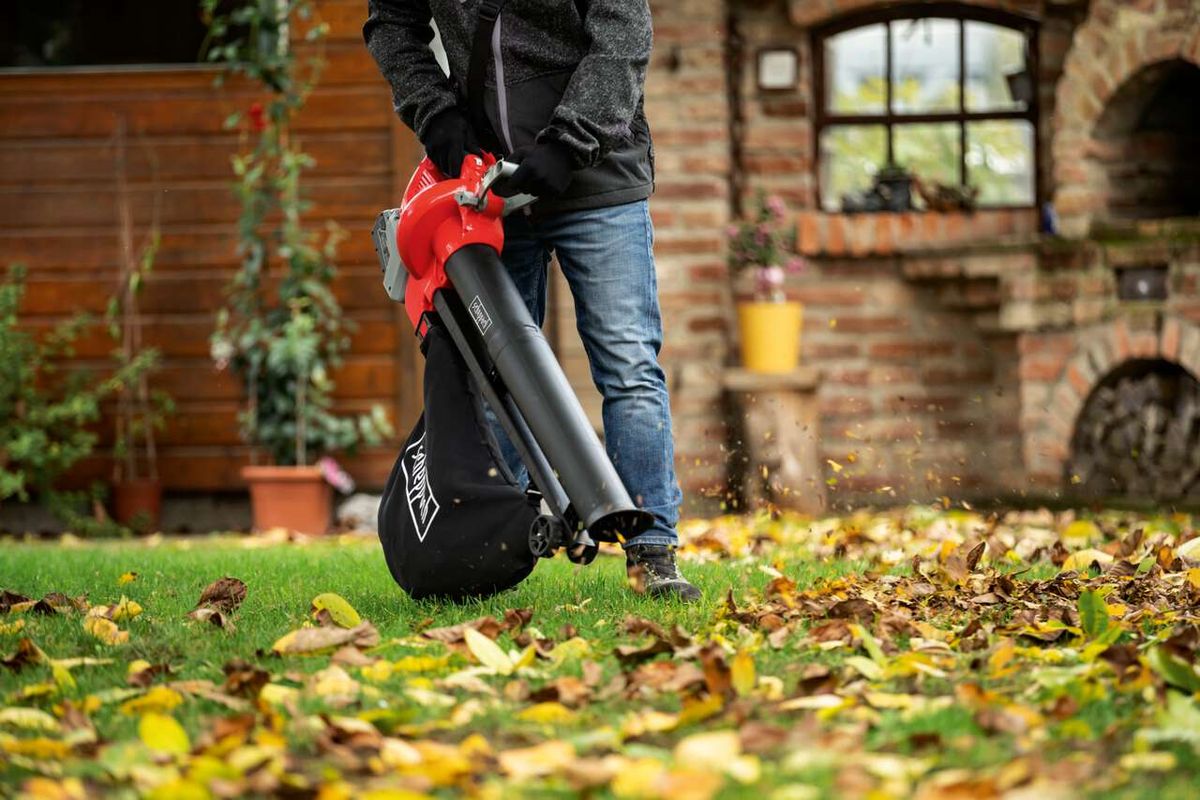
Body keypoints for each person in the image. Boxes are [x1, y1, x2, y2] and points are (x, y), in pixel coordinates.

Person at [364, 0, 700, 602]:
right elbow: (392, 21)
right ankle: (501, 548)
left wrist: (570, 143)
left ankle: (653, 553)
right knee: (494, 372)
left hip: (600, 177)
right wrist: (436, 114)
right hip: (484, 184)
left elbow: (623, 32)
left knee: (627, 366)